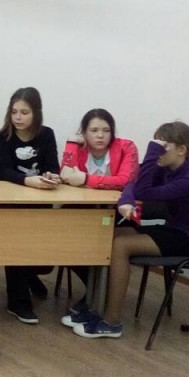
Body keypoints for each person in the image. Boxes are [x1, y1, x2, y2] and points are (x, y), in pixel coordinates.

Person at [72, 122, 189, 339]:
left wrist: (151, 152)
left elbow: (144, 191)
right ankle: (94, 305)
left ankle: (111, 322)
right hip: (175, 230)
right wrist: (126, 200)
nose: (158, 150)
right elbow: (133, 184)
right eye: (155, 144)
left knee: (121, 246)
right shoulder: (169, 168)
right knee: (107, 235)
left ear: (181, 149)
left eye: (163, 146)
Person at [57, 109, 139, 322]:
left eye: (106, 130)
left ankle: (97, 300)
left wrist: (85, 179)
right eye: (94, 130)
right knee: (65, 241)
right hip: (82, 214)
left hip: (119, 215)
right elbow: (65, 175)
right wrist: (71, 144)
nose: (100, 135)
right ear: (84, 132)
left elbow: (125, 180)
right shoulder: (79, 148)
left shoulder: (127, 147)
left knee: (101, 244)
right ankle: (93, 294)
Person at [0, 87, 60, 324]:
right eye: (14, 112)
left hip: (39, 201)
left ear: (36, 113)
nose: (18, 117)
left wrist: (51, 176)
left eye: (24, 112)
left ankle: (29, 274)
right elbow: (2, 171)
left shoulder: (47, 134)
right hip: (10, 203)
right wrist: (28, 180)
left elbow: (52, 165)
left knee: (45, 260)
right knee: (17, 245)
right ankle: (18, 302)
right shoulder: (2, 137)